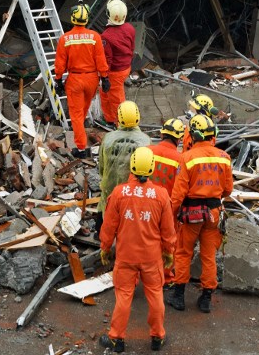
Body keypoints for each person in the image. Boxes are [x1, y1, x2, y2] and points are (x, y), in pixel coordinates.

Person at [99, 147, 176, 352]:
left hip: (126, 256)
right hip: (152, 257)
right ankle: (157, 337)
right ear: (152, 169)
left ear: (131, 166)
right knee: (155, 294)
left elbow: (109, 226)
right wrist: (169, 252)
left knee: (124, 295)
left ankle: (116, 338)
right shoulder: (161, 195)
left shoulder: (119, 193)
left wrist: (105, 248)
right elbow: (168, 230)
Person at [169, 114, 233, 313]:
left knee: (183, 252)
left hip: (192, 214)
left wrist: (173, 214)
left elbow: (178, 194)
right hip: (214, 213)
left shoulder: (187, 158)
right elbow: (228, 190)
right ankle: (206, 298)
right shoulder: (224, 157)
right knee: (208, 256)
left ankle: (179, 295)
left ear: (194, 135)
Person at [54, 0, 110, 159]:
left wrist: (58, 80)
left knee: (77, 115)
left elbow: (60, 63)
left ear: (73, 18)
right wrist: (105, 78)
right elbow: (101, 60)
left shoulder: (65, 39)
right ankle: (82, 138)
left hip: (75, 80)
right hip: (92, 79)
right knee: (83, 111)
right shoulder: (95, 37)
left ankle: (80, 147)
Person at [148, 118, 185, 287]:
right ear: (179, 139)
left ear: (162, 133)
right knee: (168, 244)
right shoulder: (180, 159)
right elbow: (181, 188)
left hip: (145, 204)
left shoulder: (147, 151)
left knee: (143, 240)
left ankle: (141, 273)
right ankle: (165, 277)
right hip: (168, 208)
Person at [98, 101, 151, 216]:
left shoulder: (108, 139)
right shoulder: (145, 141)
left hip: (110, 188)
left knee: (109, 217)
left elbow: (102, 166)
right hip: (134, 192)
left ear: (118, 117)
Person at [100, 0, 136, 127]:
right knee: (105, 93)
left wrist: (104, 76)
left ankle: (120, 123)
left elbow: (107, 59)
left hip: (114, 71)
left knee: (116, 99)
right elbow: (132, 47)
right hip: (125, 66)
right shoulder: (130, 28)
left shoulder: (106, 36)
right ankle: (109, 119)